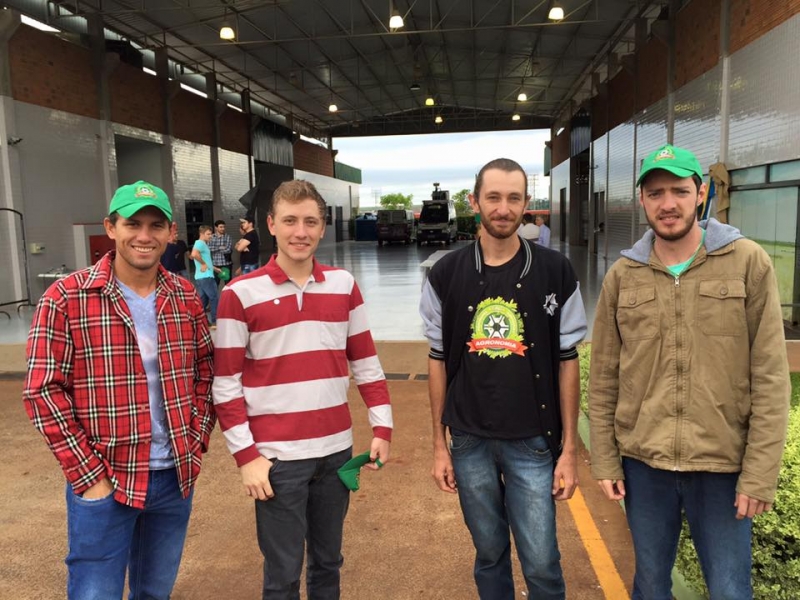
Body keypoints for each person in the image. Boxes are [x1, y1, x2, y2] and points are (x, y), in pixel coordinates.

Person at [588, 144, 791, 600]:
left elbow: (771, 377)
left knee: (729, 589)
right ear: (642, 200)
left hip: (722, 465)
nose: (668, 204)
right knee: (650, 586)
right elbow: (603, 379)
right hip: (645, 465)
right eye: (656, 193)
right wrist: (605, 459)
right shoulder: (623, 275)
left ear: (700, 194)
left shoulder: (747, 262)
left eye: (679, 191)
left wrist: (760, 474)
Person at [22, 180, 216, 600]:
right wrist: (88, 476)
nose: (144, 236)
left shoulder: (184, 297)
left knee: (155, 591)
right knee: (96, 593)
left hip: (173, 476)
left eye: (156, 225)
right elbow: (42, 391)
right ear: (111, 228)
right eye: (133, 224)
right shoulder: (66, 298)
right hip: (106, 478)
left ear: (170, 233)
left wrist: (195, 440)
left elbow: (206, 371)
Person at [212, 179, 393, 599]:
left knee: (328, 564)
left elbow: (366, 364)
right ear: (271, 224)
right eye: (290, 220)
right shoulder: (239, 294)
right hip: (278, 460)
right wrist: (246, 457)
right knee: (283, 574)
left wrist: (382, 428)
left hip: (336, 454)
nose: (300, 231)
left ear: (322, 227)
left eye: (310, 222)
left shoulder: (344, 286)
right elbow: (226, 384)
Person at [419, 158, 588, 600]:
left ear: (526, 202)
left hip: (533, 441)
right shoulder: (445, 275)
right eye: (493, 197)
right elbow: (437, 359)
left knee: (542, 563)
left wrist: (569, 451)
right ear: (474, 202)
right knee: (489, 554)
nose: (503, 208)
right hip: (469, 441)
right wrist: (439, 445)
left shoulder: (555, 271)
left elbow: (567, 360)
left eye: (514, 198)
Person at [190, 225, 219, 328]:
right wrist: (203, 263)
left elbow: (205, 260)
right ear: (201, 234)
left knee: (203, 301)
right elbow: (194, 254)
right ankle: (215, 321)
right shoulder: (200, 243)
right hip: (206, 276)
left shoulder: (203, 244)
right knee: (214, 297)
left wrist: (214, 268)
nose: (210, 236)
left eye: (211, 234)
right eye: (208, 234)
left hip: (201, 276)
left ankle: (199, 321)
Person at [209, 219, 233, 286]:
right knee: (215, 284)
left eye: (224, 227)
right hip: (215, 265)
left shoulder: (227, 237)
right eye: (221, 227)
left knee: (228, 284)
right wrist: (220, 247)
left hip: (226, 264)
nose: (223, 228)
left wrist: (215, 248)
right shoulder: (211, 237)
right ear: (216, 228)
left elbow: (228, 249)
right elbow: (209, 249)